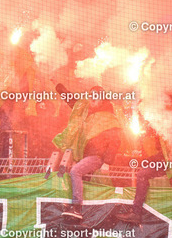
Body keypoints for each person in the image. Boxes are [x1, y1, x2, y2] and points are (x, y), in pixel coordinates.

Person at [53, 85, 126, 220]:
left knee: (75, 171)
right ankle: (82, 211)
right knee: (79, 178)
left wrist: (107, 162)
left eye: (95, 97)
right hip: (86, 155)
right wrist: (59, 87)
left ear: (102, 99)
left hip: (97, 156)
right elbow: (74, 102)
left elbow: (115, 141)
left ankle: (76, 208)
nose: (92, 99)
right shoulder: (87, 111)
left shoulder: (108, 117)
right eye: (90, 96)